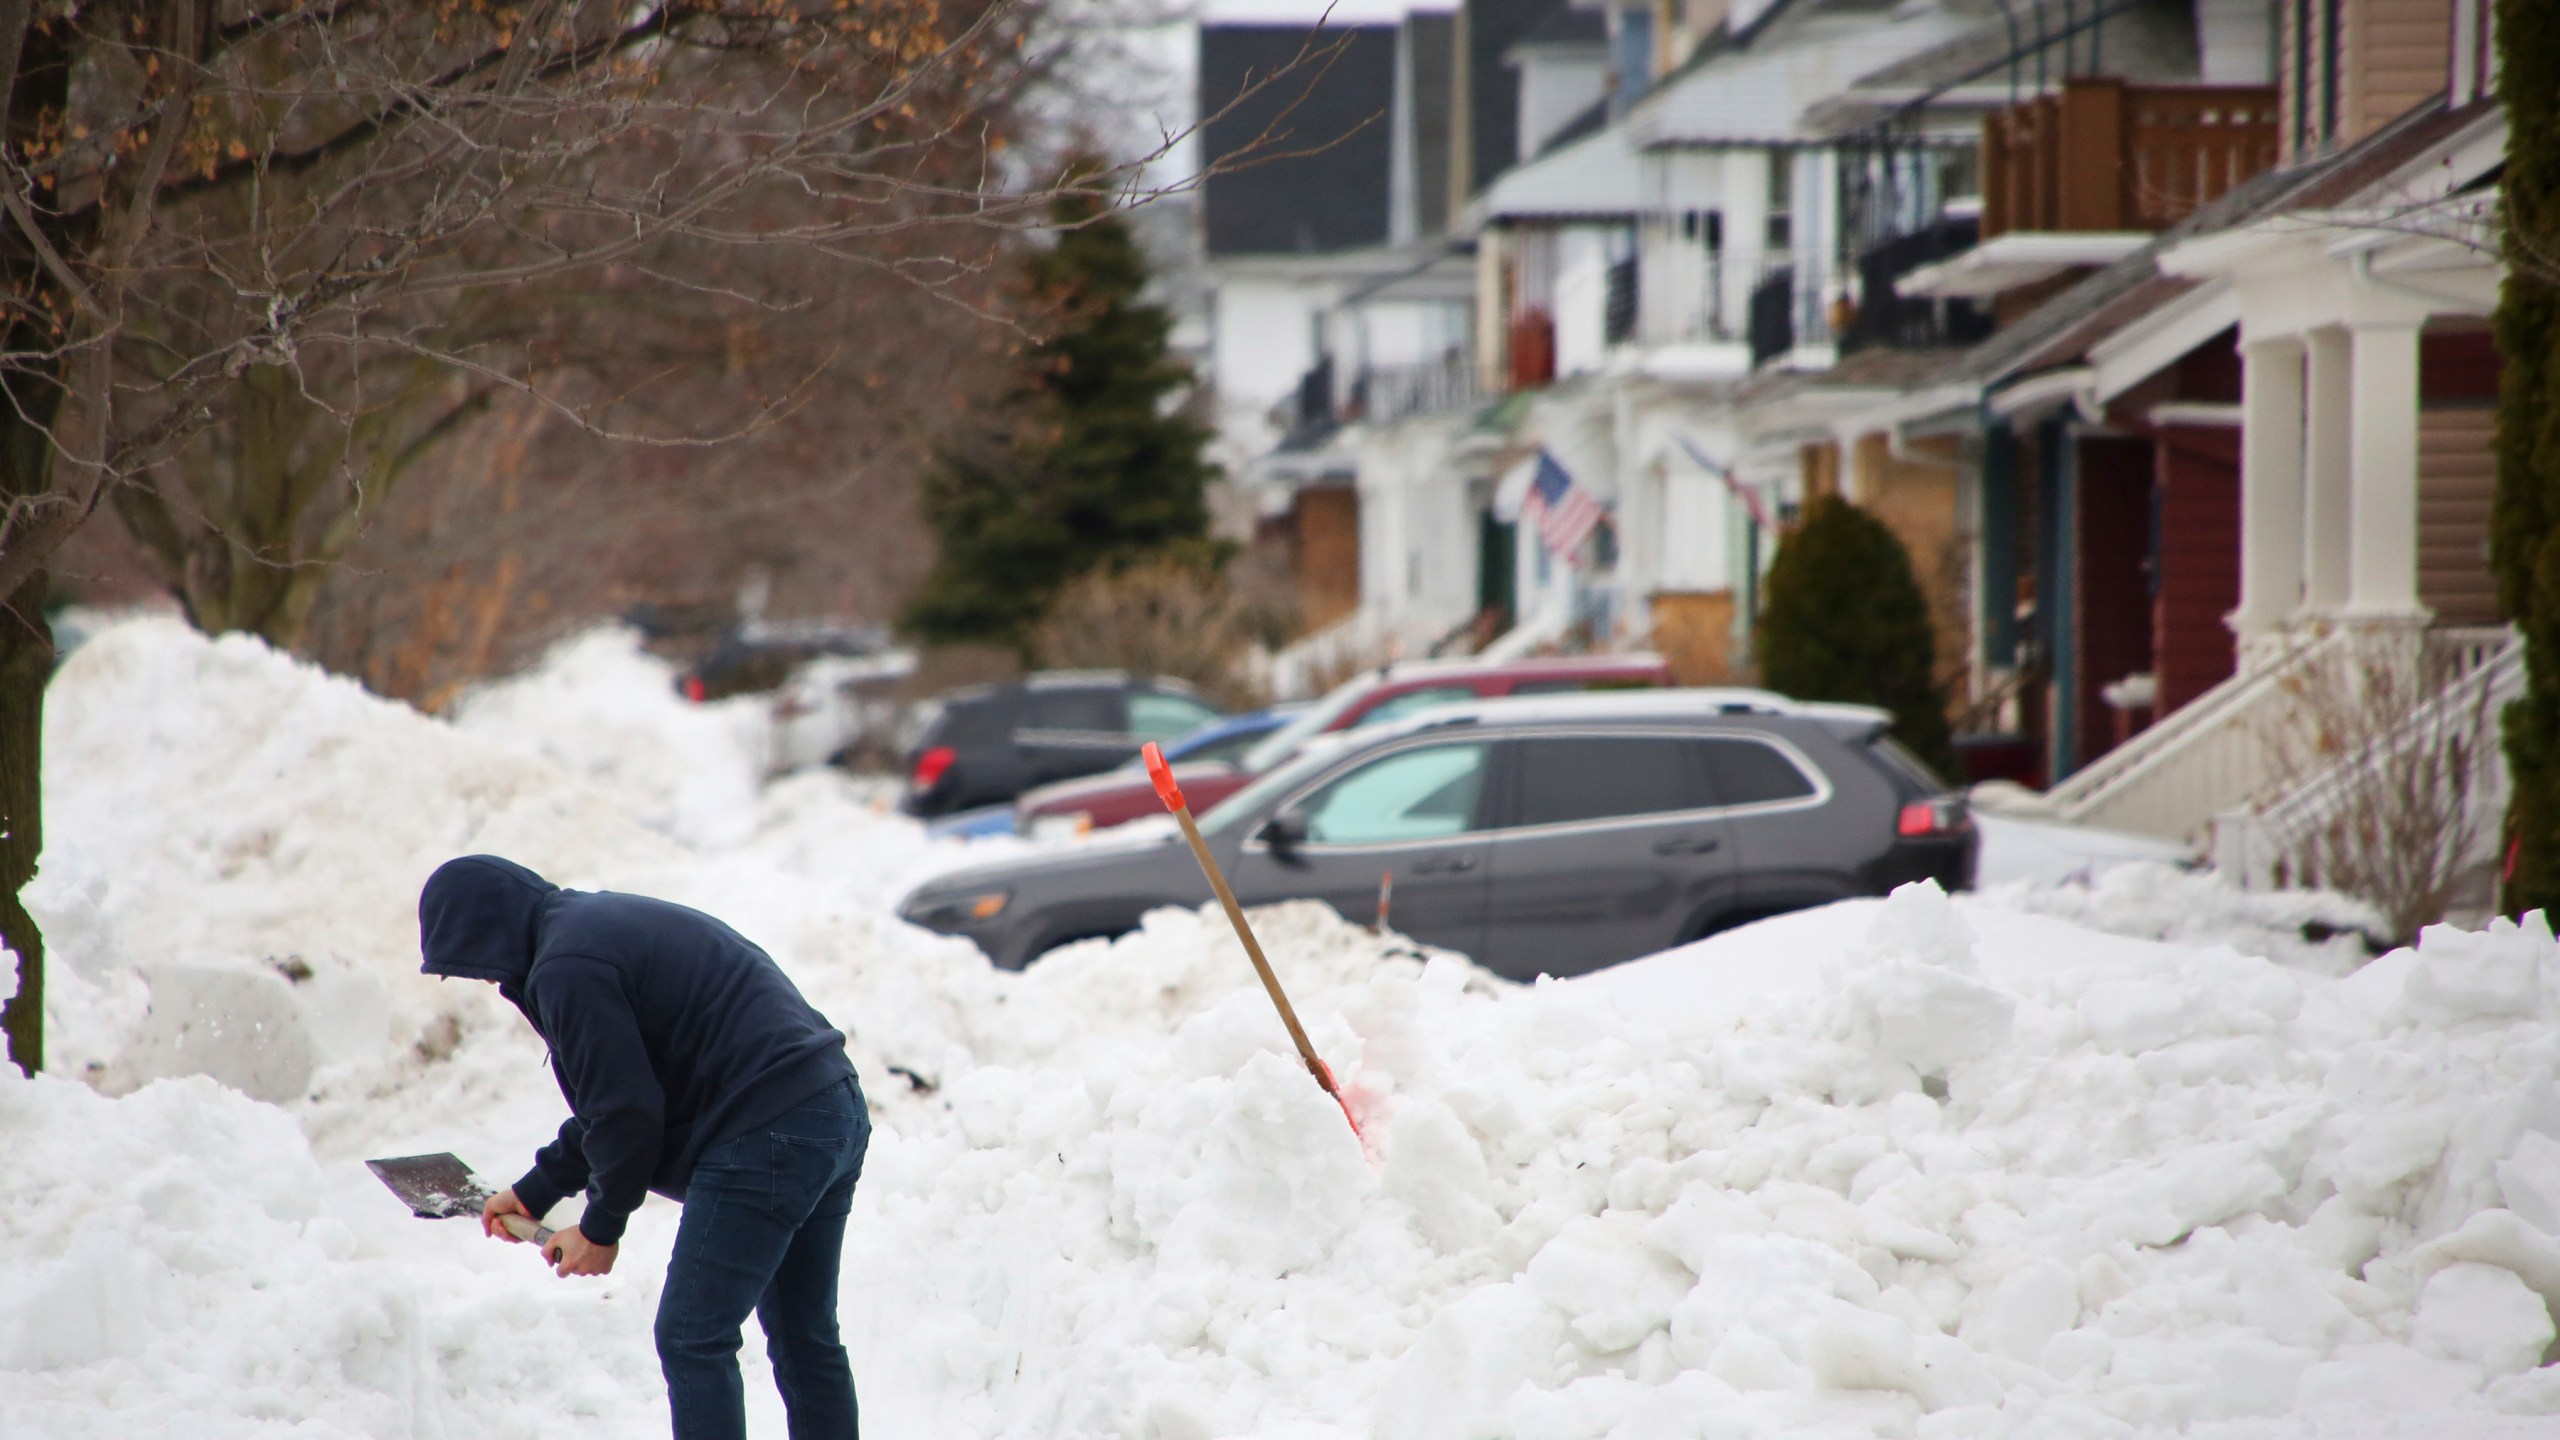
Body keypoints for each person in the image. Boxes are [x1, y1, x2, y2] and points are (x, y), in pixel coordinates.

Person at [418, 855, 868, 1440]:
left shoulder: (566, 968)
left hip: (766, 1130)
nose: (482, 980)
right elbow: (620, 1105)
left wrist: (601, 1229)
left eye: (472, 965)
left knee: (691, 1338)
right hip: (829, 1106)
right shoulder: (587, 930)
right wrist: (534, 1194)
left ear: (487, 932)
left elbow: (626, 1116)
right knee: (803, 1334)